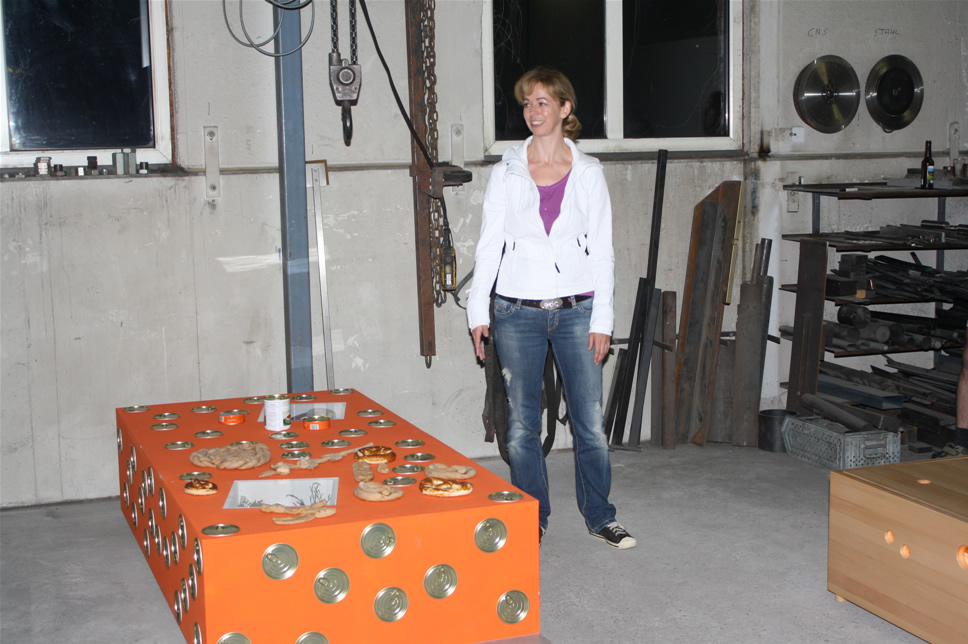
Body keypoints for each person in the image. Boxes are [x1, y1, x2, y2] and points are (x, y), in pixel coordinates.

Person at [466, 67, 635, 549]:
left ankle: (600, 516)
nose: (533, 111)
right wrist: (478, 312)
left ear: (565, 108)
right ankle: (532, 516)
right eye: (527, 103)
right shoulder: (507, 171)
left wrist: (603, 319)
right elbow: (489, 246)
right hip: (515, 311)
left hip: (577, 310)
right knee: (521, 425)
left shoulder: (589, 173)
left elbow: (603, 252)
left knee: (590, 423)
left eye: (543, 102)